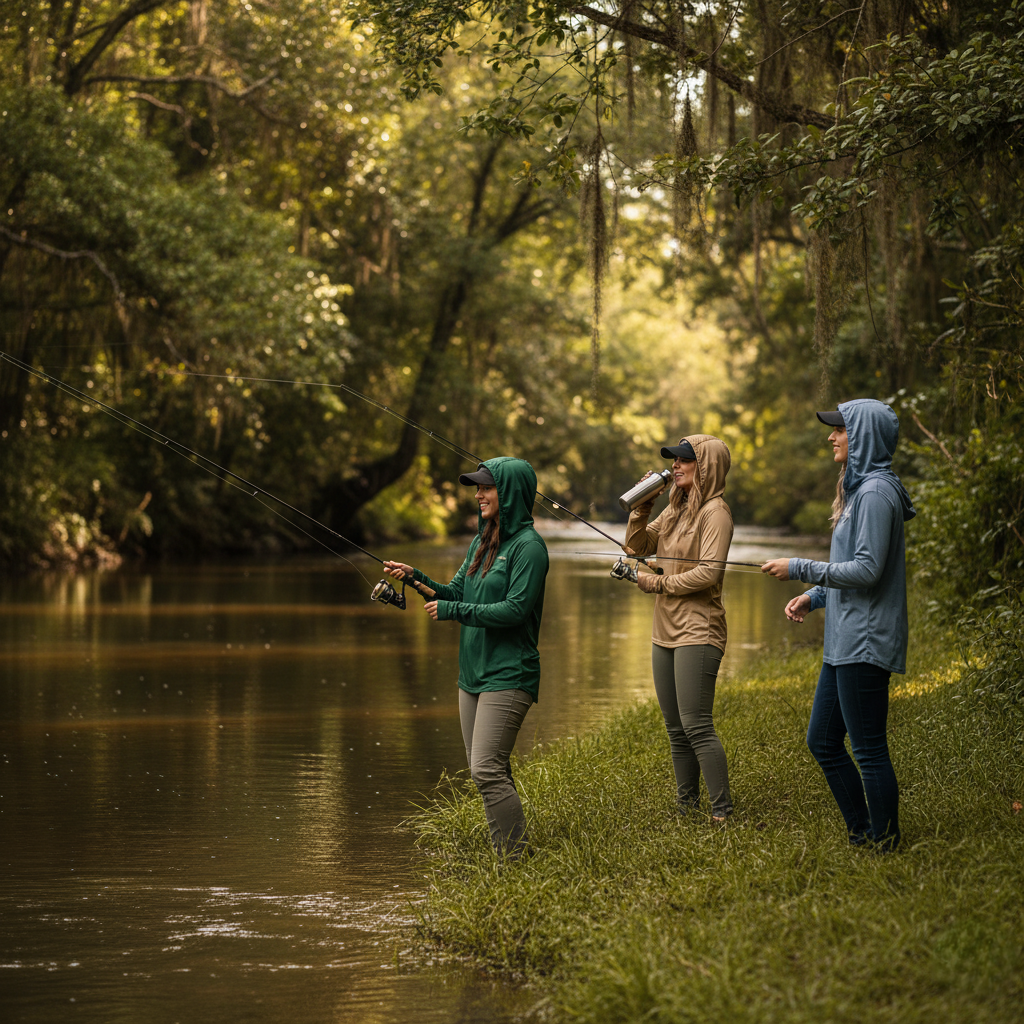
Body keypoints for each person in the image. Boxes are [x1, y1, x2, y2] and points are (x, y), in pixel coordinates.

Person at [761, 399, 915, 851]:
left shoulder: (874, 495)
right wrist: (815, 596)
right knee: (823, 742)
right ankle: (863, 834)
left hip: (865, 642)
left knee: (868, 750)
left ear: (862, 436)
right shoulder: (860, 491)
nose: (831, 436)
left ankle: (884, 845)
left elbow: (867, 570)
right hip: (845, 642)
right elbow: (852, 569)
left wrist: (800, 568)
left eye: (840, 430)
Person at [383, 456, 548, 859]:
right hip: (472, 674)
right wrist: (417, 578)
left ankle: (514, 859)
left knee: (486, 769)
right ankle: (505, 853)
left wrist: (455, 612)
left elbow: (515, 610)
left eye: (486, 487)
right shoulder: (481, 541)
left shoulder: (529, 548)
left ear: (509, 493)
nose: (478, 495)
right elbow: (455, 592)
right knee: (489, 771)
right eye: (477, 487)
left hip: (509, 674)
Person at [623, 434, 735, 822]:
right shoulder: (676, 507)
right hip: (664, 629)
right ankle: (687, 808)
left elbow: (709, 573)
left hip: (699, 631)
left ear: (705, 466)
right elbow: (637, 549)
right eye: (674, 460)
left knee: (697, 724)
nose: (675, 465)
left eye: (684, 460)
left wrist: (659, 583)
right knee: (675, 728)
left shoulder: (715, 513)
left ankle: (721, 811)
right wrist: (641, 507)